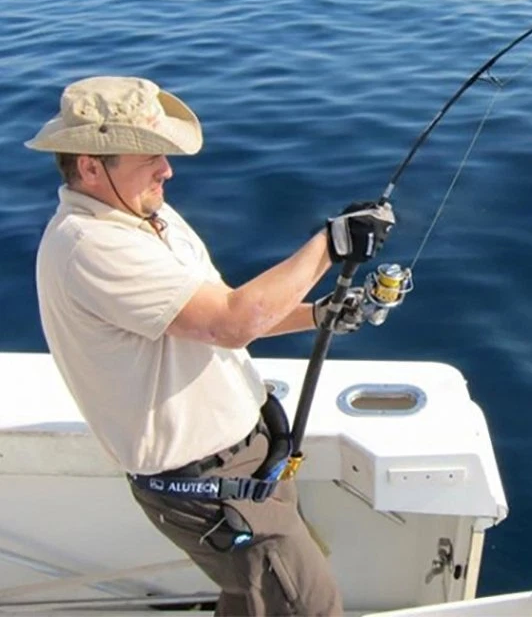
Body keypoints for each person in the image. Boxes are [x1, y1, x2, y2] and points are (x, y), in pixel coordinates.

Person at [25, 75, 395, 616]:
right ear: (89, 165)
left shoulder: (149, 216)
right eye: (150, 156)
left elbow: (217, 314)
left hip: (249, 458)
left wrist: (316, 315)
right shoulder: (90, 245)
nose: (167, 169)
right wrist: (331, 244)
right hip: (210, 485)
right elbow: (231, 324)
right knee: (310, 607)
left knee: (255, 599)